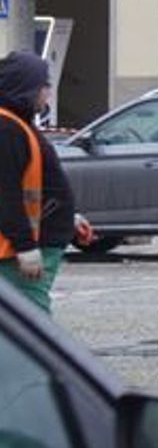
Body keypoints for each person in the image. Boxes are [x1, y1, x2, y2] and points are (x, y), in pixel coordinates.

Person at [0, 52, 92, 313]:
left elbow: (37, 183)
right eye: (44, 85)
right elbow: (6, 194)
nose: (48, 92)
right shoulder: (7, 129)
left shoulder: (16, 124)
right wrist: (25, 247)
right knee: (32, 322)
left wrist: (69, 217)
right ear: (25, 88)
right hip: (21, 248)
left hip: (33, 240)